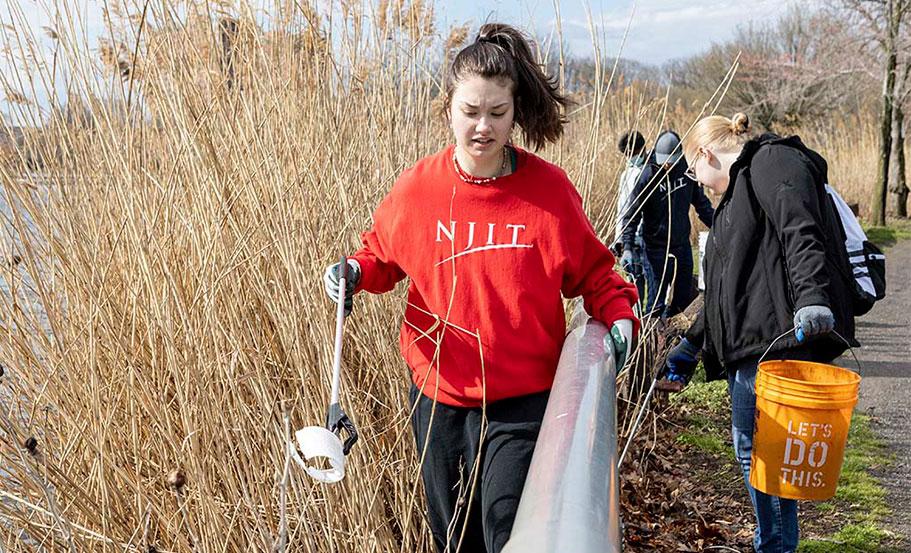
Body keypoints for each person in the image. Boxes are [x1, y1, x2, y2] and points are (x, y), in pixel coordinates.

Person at [322, 23, 639, 553]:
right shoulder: (418, 189)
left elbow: (596, 275)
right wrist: (352, 273)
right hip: (439, 399)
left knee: (507, 533)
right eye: (470, 112)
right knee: (453, 539)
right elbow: (381, 255)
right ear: (448, 107)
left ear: (516, 112)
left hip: (523, 404)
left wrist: (621, 318)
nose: (483, 128)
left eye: (497, 113)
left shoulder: (549, 192)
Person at [664, 112, 858, 552]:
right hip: (748, 344)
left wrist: (813, 297)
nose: (697, 181)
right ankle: (774, 542)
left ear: (705, 152)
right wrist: (690, 347)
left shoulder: (771, 162)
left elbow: (800, 228)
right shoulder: (733, 200)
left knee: (763, 453)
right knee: (758, 452)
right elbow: (723, 290)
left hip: (775, 340)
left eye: (694, 171)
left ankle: (773, 545)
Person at [620, 130, 714, 319]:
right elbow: (631, 216)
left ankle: (676, 337)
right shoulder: (647, 176)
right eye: (665, 163)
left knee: (683, 298)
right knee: (656, 303)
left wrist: (718, 225)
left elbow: (701, 204)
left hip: (682, 245)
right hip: (656, 248)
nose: (668, 166)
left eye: (672, 162)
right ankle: (653, 336)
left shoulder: (686, 171)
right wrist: (627, 247)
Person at [614, 130, 656, 314]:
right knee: (635, 279)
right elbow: (621, 209)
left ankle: (652, 317)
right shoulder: (626, 175)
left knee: (652, 278)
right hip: (631, 237)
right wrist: (620, 239)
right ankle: (638, 316)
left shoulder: (653, 171)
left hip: (648, 235)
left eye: (633, 155)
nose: (631, 159)